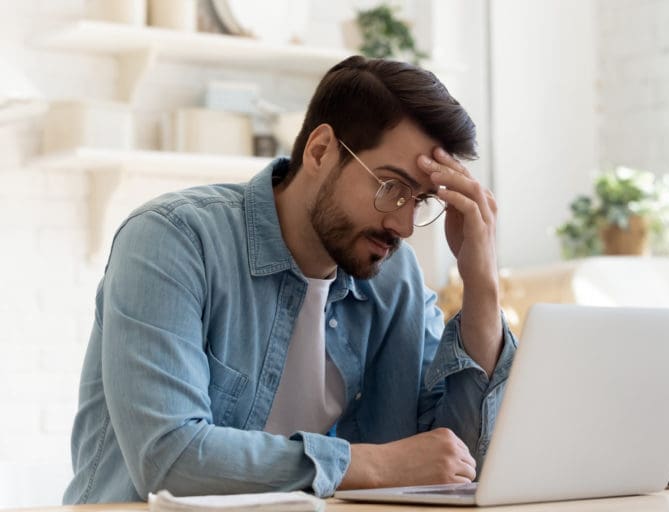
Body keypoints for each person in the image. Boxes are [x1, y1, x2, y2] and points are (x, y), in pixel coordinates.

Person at [63, 55, 516, 504]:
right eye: (390, 188)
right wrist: (374, 465)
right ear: (320, 151)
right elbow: (169, 459)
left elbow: (456, 463)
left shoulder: (394, 280)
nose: (403, 226)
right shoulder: (172, 240)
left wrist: (480, 285)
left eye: (418, 200)